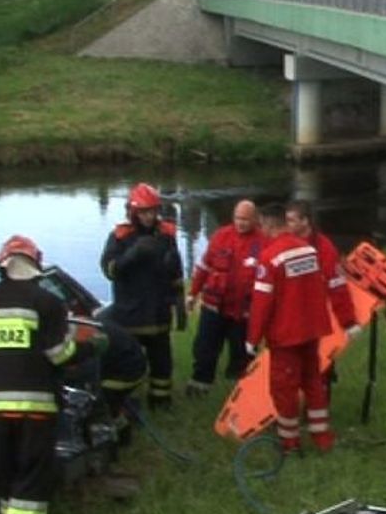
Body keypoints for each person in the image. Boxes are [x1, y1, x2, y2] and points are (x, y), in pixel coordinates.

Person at [0, 234, 105, 514]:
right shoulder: (47, 302)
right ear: (35, 265)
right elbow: (58, 354)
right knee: (33, 470)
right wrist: (88, 350)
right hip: (35, 404)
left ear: (3, 266)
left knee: (8, 470)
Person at [246, 203, 333, 454]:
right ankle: (322, 438)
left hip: (286, 335)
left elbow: (262, 303)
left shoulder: (270, 257)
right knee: (313, 383)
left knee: (284, 389)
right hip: (311, 330)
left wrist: (253, 338)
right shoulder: (308, 250)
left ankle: (290, 444)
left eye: (261, 226)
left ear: (269, 225)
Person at [100, 183, 185, 409]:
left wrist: (179, 301)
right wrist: (132, 255)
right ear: (133, 211)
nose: (150, 216)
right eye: (145, 211)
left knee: (162, 364)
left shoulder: (166, 234)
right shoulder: (120, 236)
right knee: (129, 361)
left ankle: (160, 401)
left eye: (153, 211)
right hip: (130, 314)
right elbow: (110, 270)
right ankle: (126, 402)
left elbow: (176, 271)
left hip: (158, 313)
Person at [185, 199, 264, 396]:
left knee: (243, 354)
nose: (241, 223)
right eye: (238, 218)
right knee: (204, 349)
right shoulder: (221, 236)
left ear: (255, 219)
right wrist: (192, 293)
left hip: (243, 313)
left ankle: (242, 394)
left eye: (246, 219)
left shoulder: (264, 241)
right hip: (214, 308)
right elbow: (204, 267)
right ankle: (199, 386)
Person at [285, 199, 358, 338]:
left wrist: (348, 322)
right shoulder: (283, 244)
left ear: (305, 221)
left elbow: (337, 286)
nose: (287, 225)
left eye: (291, 221)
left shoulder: (324, 248)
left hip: (313, 317)